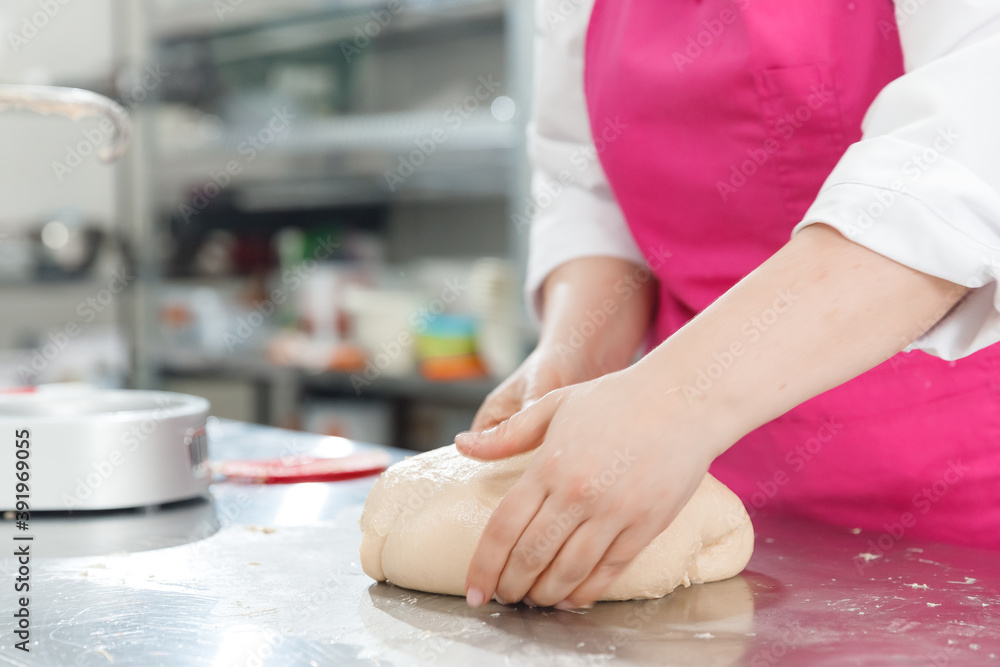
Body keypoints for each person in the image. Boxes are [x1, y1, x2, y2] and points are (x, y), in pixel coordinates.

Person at [454, 0, 1000, 611]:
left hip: (953, 496)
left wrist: (678, 398)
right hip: (678, 492)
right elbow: (589, 191)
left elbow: (967, 152)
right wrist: (571, 357)